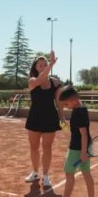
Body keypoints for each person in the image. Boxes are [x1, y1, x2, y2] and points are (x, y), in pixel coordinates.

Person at [50, 86, 98, 197]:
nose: (66, 106)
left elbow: (83, 133)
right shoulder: (81, 108)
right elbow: (81, 131)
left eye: (66, 103)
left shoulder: (78, 113)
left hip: (77, 148)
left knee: (69, 173)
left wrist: (82, 152)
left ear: (74, 100)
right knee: (86, 172)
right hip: (85, 145)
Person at [25, 51, 65, 186]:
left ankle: (46, 175)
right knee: (34, 147)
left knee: (47, 147)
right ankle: (35, 172)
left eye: (45, 64)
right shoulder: (32, 81)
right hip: (34, 117)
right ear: (36, 67)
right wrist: (52, 64)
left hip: (50, 117)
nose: (43, 66)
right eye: (40, 65)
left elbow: (59, 101)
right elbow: (39, 79)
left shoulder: (55, 82)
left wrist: (62, 117)